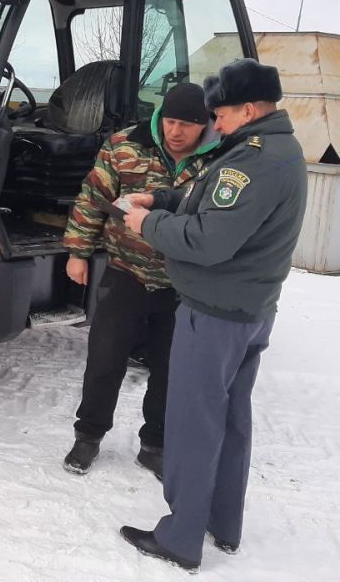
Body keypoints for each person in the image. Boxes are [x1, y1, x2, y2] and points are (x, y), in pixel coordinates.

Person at [119, 59, 307, 572]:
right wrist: (161, 196)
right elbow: (220, 209)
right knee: (230, 420)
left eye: (219, 114)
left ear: (247, 109)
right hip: (248, 310)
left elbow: (208, 238)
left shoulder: (251, 161)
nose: (213, 125)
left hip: (216, 313)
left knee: (194, 424)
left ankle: (180, 537)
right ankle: (224, 524)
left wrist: (145, 221)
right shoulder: (277, 151)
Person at [63, 83, 219, 479]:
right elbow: (92, 197)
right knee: (104, 359)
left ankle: (155, 445)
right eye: (170, 121)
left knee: (171, 369)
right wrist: (78, 252)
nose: (176, 132)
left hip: (183, 283)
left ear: (205, 125)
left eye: (187, 124)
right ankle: (88, 436)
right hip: (126, 271)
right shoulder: (124, 145)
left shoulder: (221, 158)